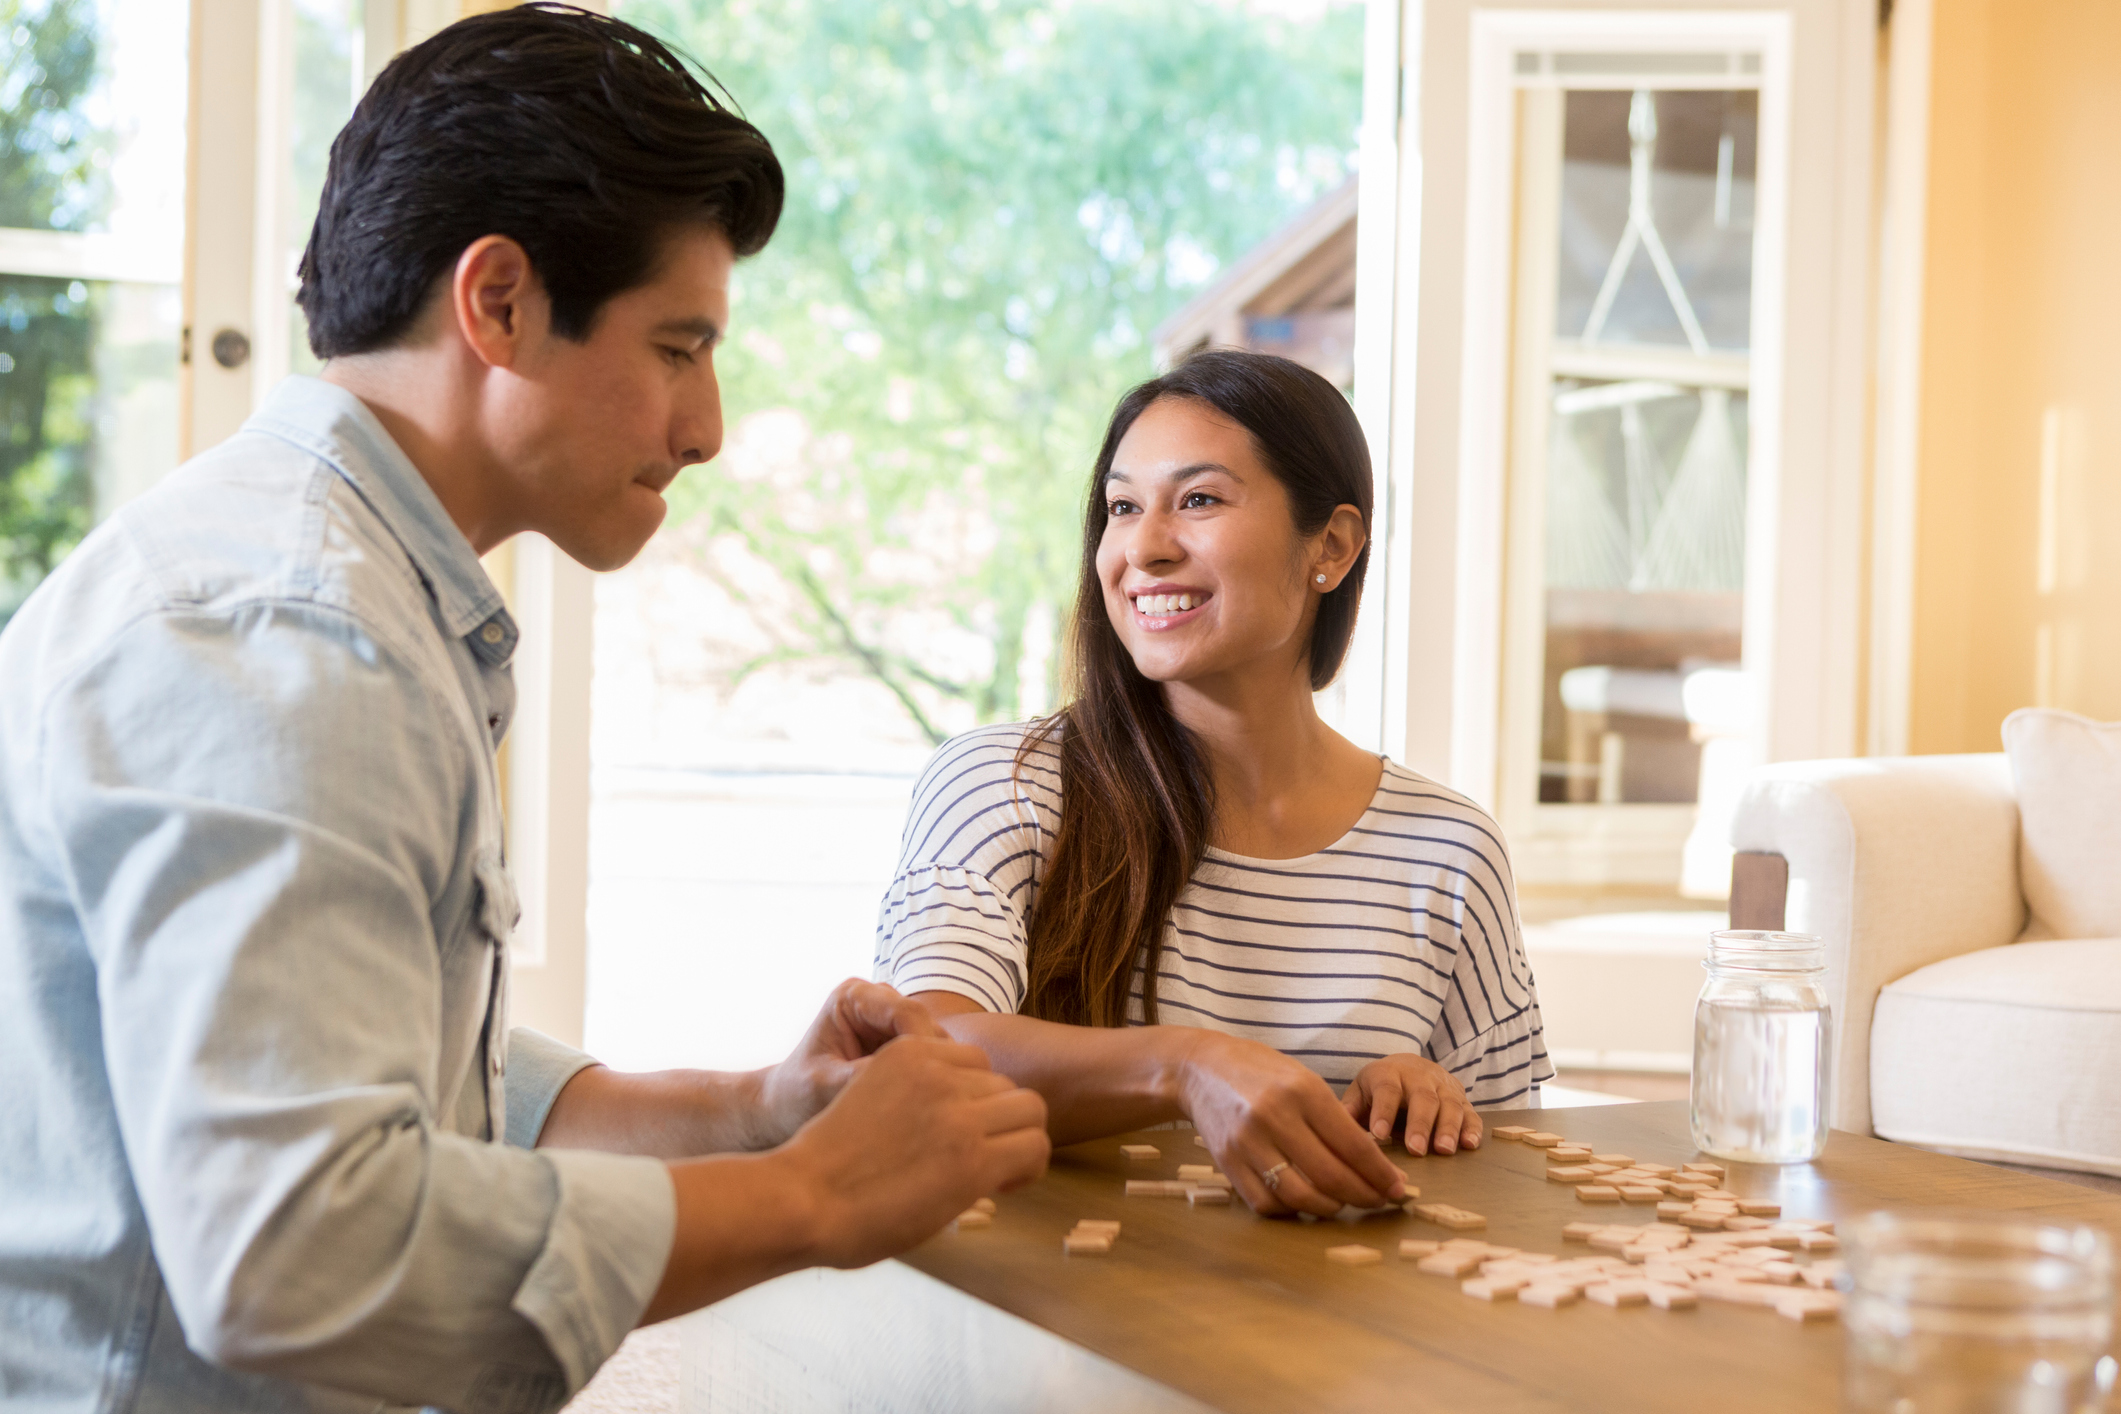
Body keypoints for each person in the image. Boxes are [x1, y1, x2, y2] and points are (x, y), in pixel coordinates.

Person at [0, 8, 1048, 1413]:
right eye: (679, 346)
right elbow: (296, 1245)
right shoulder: (299, 632)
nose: (708, 426)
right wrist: (808, 1198)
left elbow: (383, 1068)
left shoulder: (321, 581)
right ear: (495, 302)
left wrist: (755, 1110)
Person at [874, 350, 1552, 1218]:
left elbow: (1518, 1168)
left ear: (1332, 547)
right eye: (1123, 508)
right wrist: (1185, 1066)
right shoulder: (1003, 783)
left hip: (1335, 1336)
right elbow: (924, 1049)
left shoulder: (1446, 849)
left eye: (1196, 500)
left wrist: (1424, 1101)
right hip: (1054, 1323)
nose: (1145, 548)